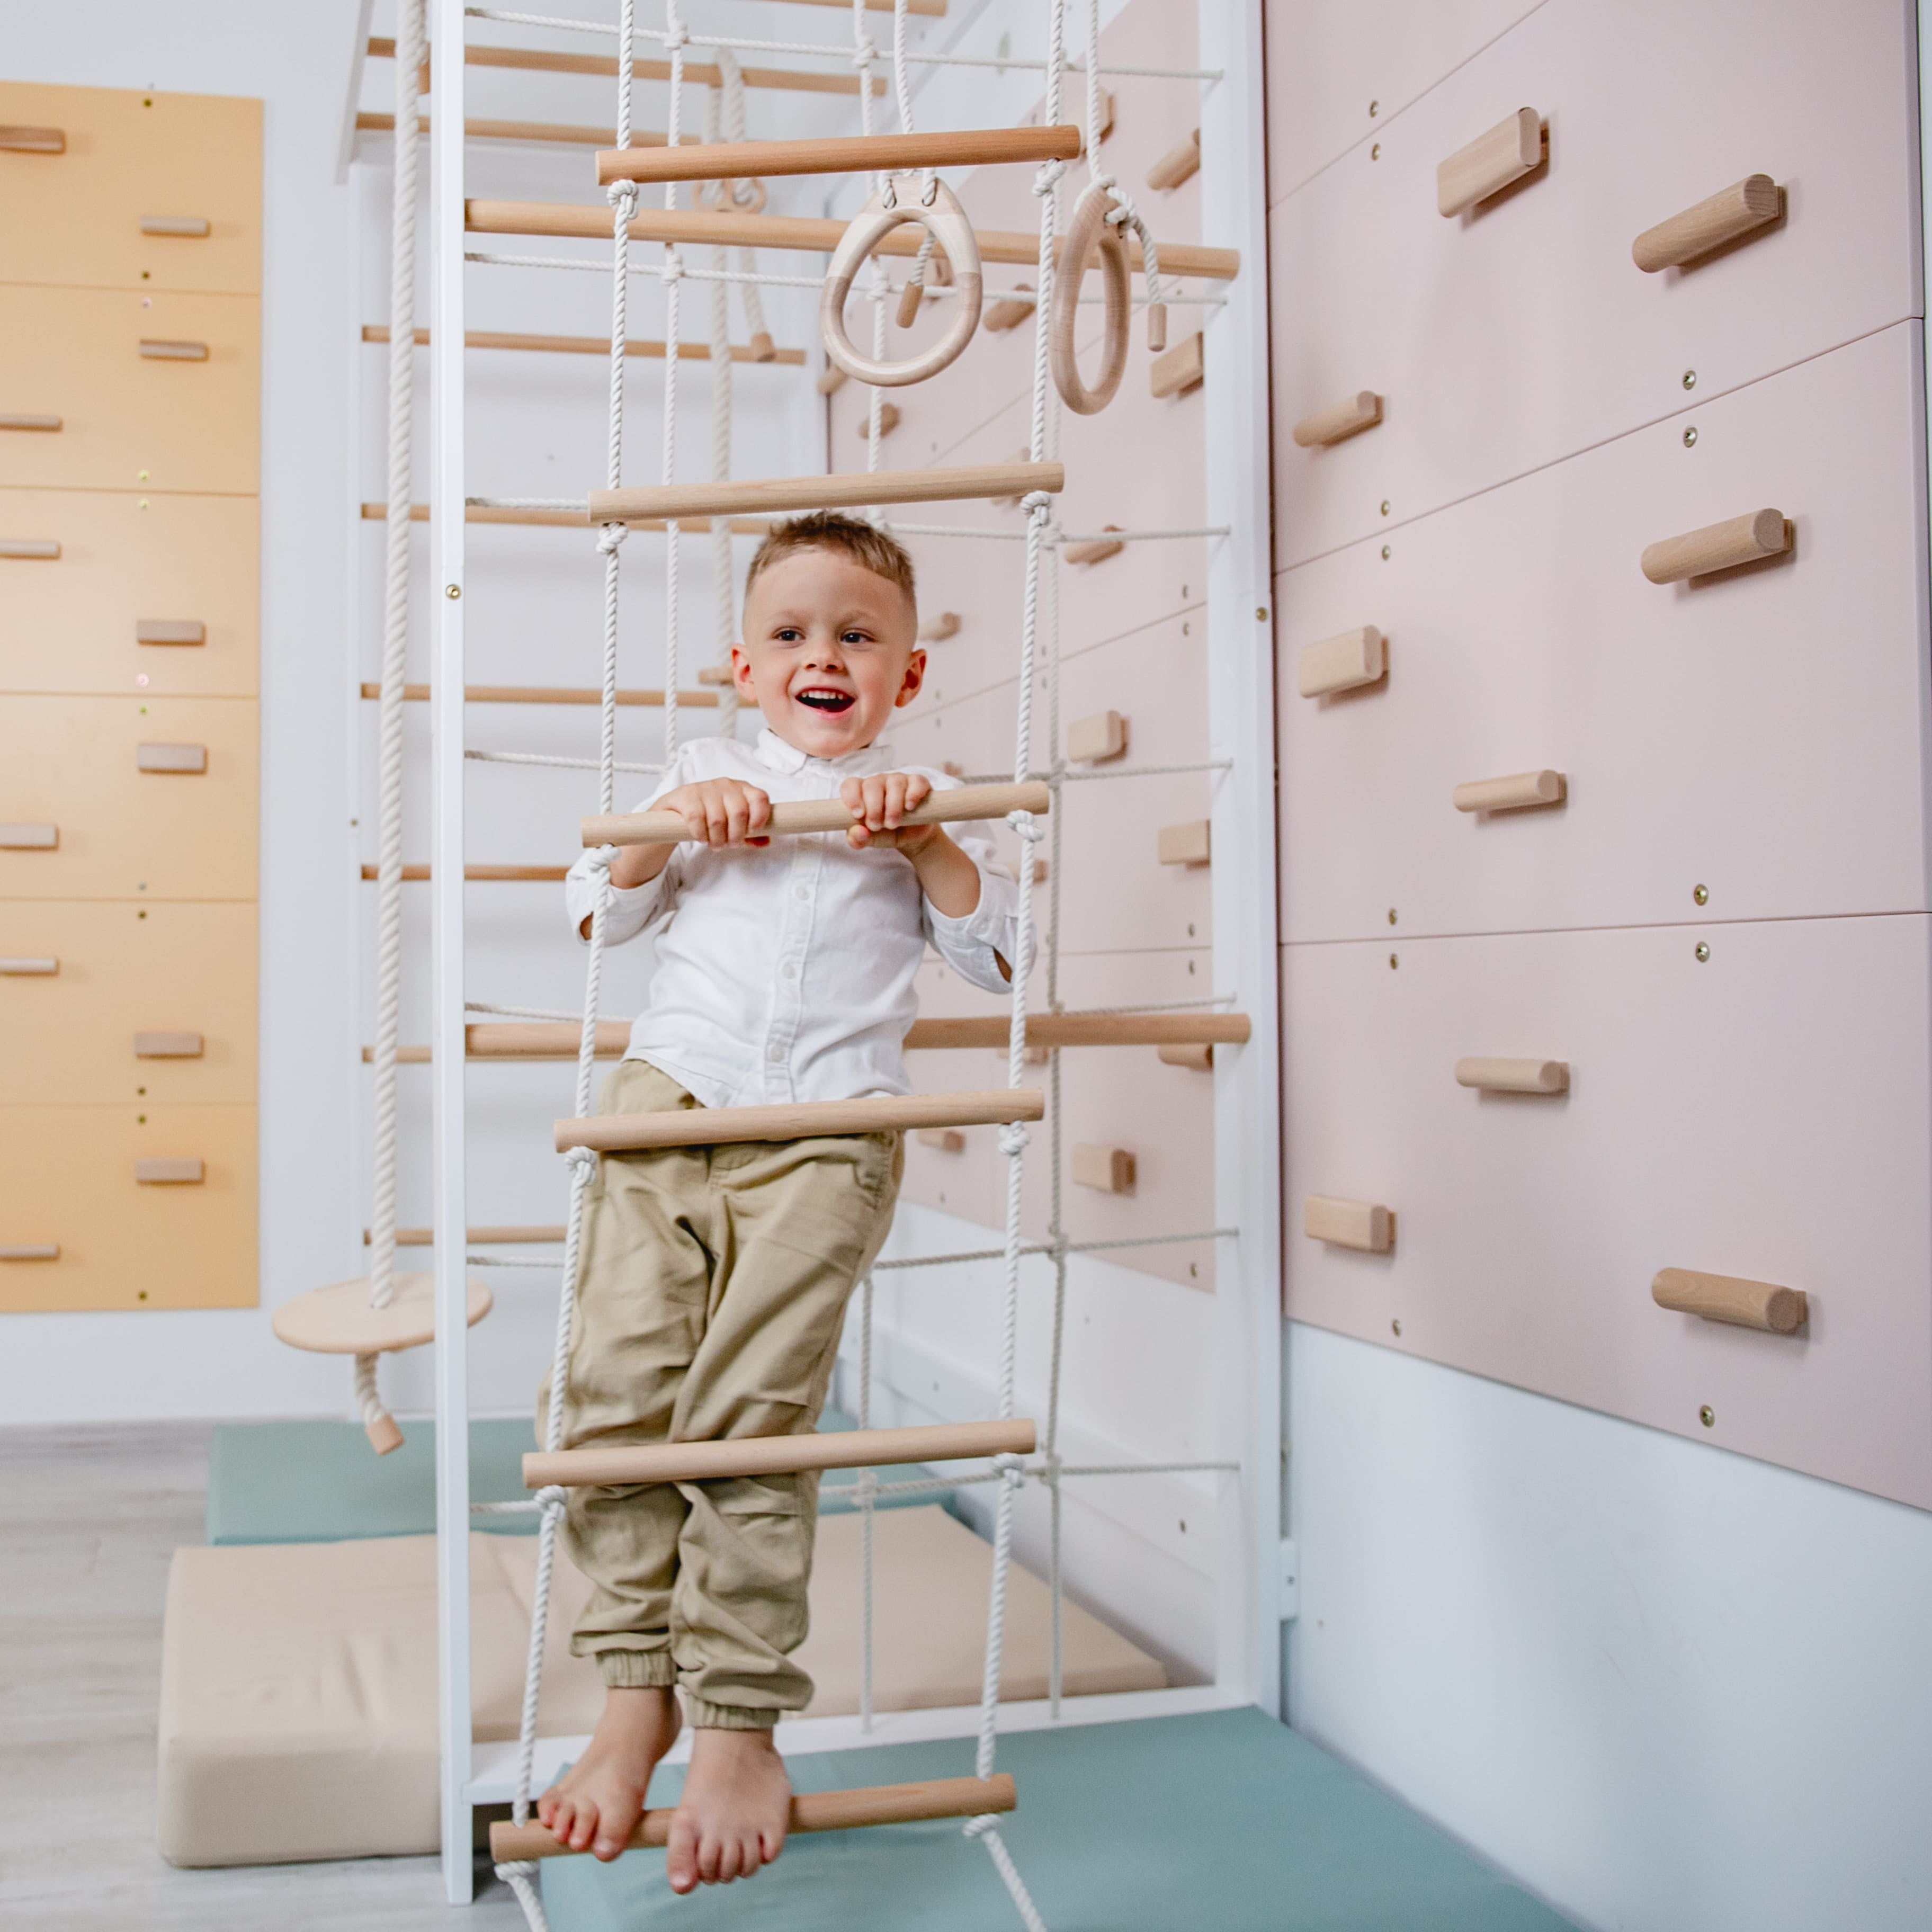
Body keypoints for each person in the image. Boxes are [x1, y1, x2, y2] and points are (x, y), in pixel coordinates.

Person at [538, 511, 1028, 1891]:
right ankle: (638, 1687)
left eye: (859, 637)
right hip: (670, 1105)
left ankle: (740, 1721)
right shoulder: (699, 775)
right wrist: (660, 835)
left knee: (752, 1422)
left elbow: (1000, 959)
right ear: (744, 671)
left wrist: (930, 845)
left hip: (827, 1131)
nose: (827, 655)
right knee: (617, 1392)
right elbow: (596, 909)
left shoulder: (919, 800)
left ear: (906, 678)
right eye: (795, 635)